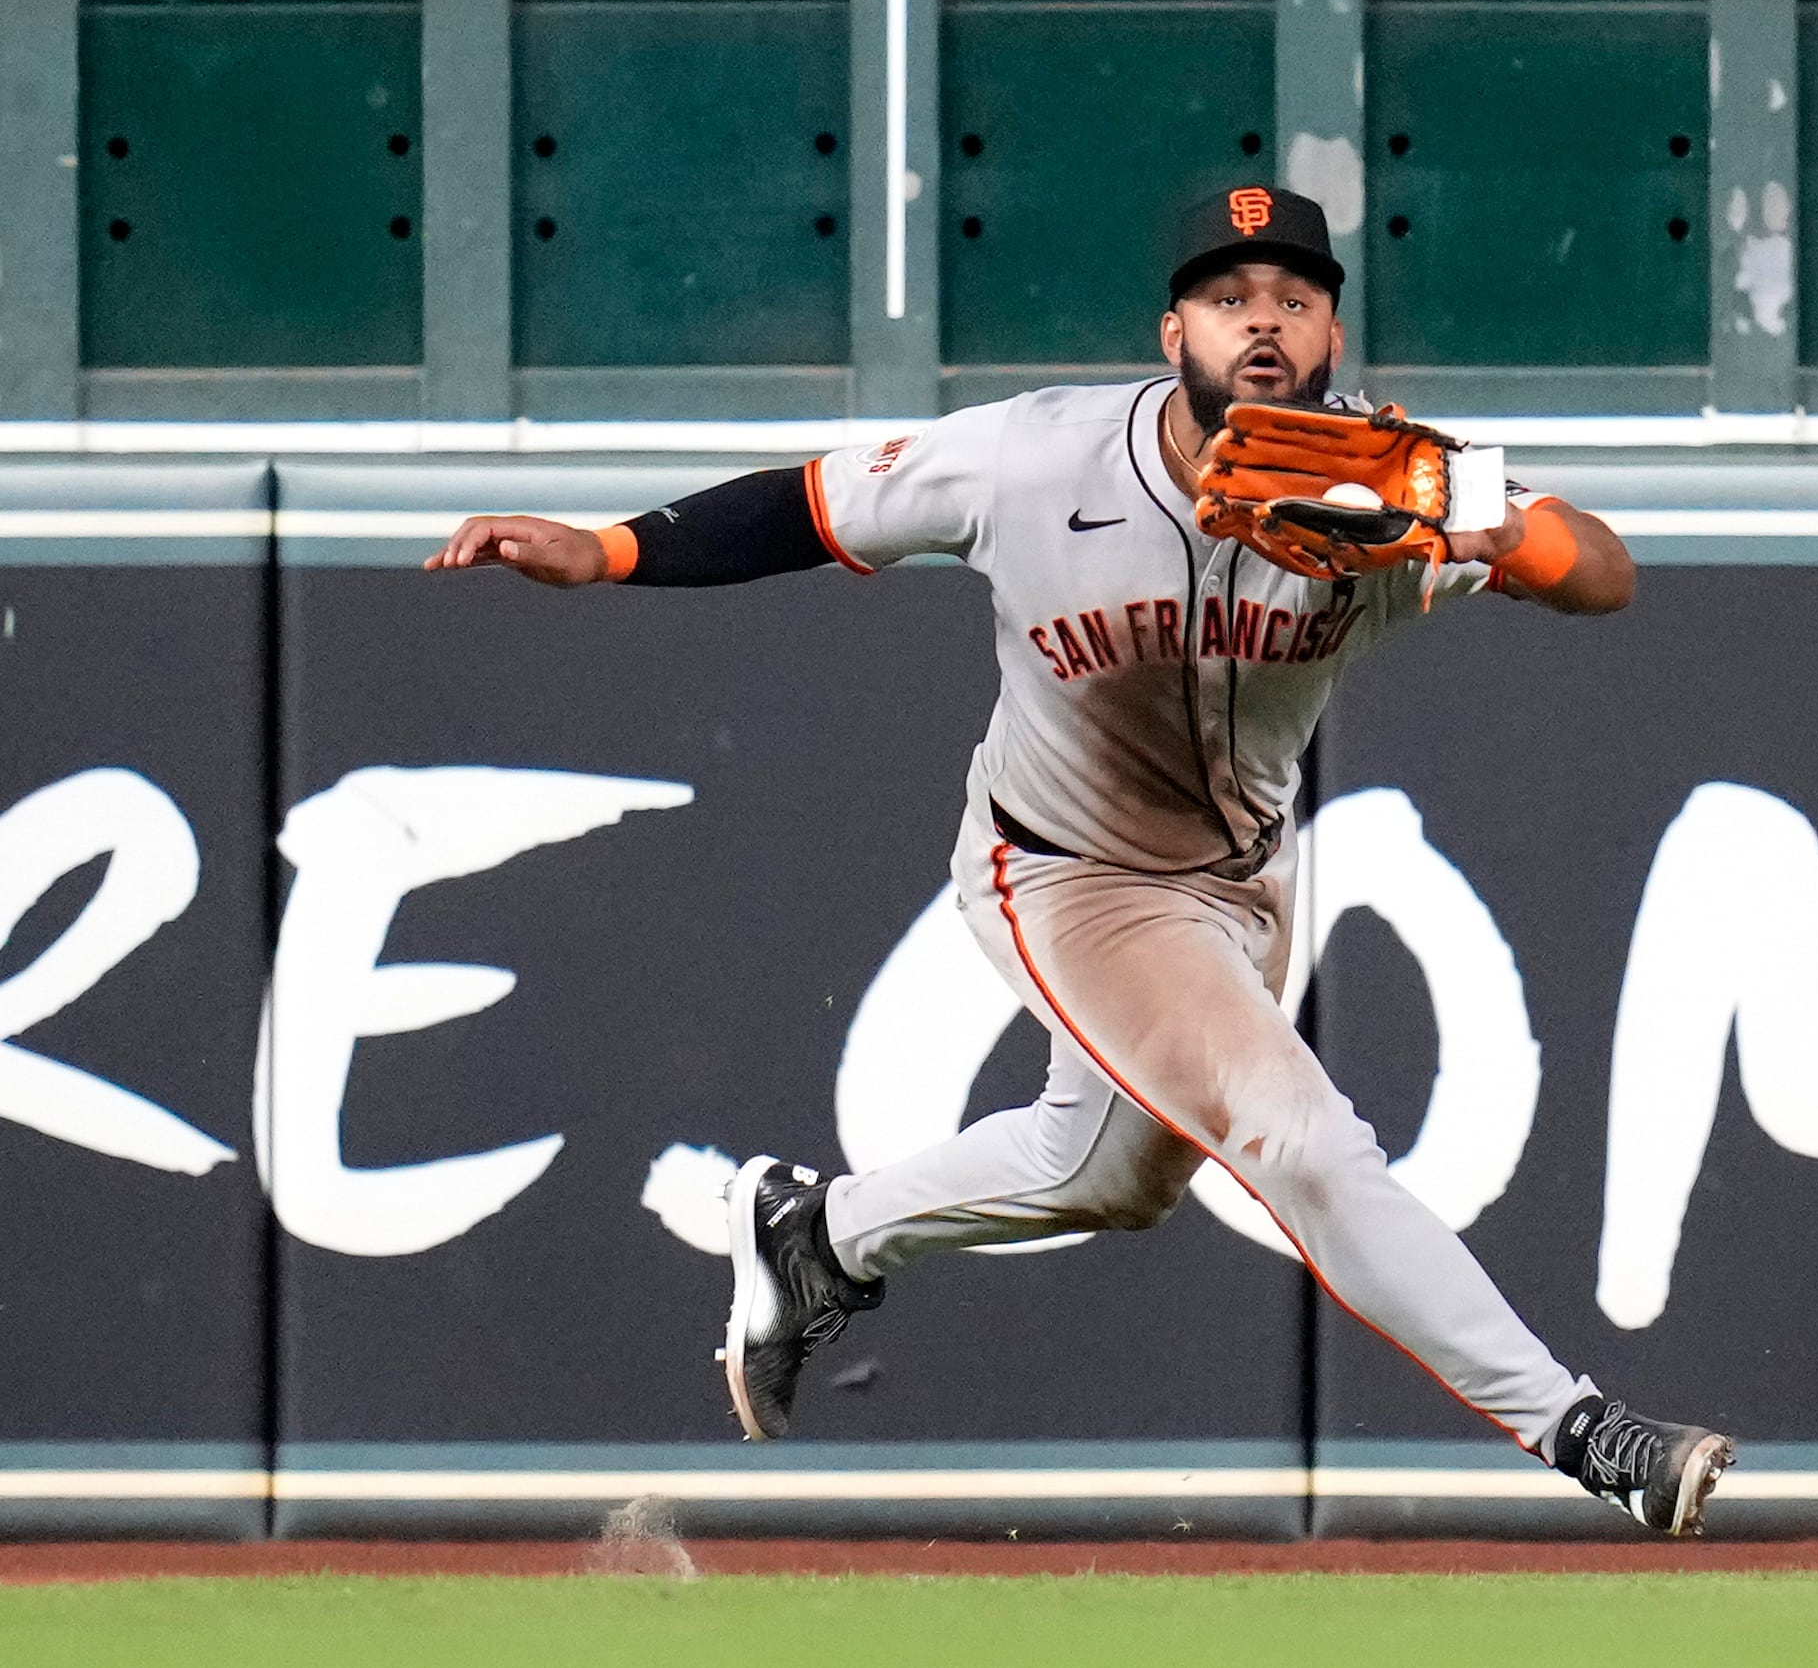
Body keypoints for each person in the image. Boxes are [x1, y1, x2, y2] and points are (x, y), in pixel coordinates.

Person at [426, 186, 1734, 1533]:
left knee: (1109, 1172)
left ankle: (821, 1234)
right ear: (1173, 328)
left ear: (1334, 329)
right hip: (1062, 872)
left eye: (1293, 297)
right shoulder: (1033, 460)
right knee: (1299, 1136)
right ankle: (1585, 1432)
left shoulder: (1399, 485)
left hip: (1237, 889)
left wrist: (1496, 526)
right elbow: (811, 510)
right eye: (1231, 299)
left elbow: (1606, 571)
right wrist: (609, 548)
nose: (1263, 323)